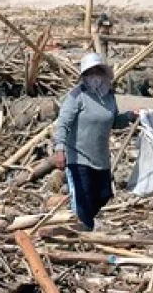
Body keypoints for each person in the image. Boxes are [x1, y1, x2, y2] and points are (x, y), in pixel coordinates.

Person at [50, 53, 138, 232]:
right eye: (89, 73)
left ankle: (89, 230)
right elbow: (63, 124)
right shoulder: (77, 96)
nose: (94, 76)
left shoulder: (108, 96)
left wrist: (130, 116)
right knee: (83, 204)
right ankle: (82, 236)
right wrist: (59, 149)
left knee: (103, 197)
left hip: (101, 160)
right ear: (84, 76)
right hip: (79, 159)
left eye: (97, 71)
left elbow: (112, 121)